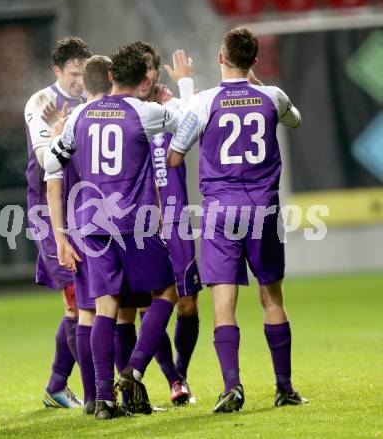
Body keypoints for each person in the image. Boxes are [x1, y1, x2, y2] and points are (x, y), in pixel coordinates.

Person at [45, 43, 194, 420]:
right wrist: (184, 90)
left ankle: (104, 400)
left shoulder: (79, 116)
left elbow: (53, 162)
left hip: (90, 224)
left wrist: (60, 235)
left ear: (111, 77)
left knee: (106, 307)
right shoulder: (146, 112)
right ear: (145, 79)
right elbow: (191, 121)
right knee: (166, 292)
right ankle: (135, 370)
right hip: (133, 223)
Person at [167, 27, 307, 413]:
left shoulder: (205, 102)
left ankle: (233, 388)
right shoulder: (272, 95)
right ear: (254, 62)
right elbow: (294, 120)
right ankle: (284, 388)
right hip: (263, 209)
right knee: (273, 297)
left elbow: (176, 155)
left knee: (224, 304)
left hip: (220, 212)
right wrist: (256, 84)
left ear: (220, 58)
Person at [113, 41, 200, 406]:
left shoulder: (166, 112)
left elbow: (197, 120)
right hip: (140, 225)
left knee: (187, 305)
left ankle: (180, 370)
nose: (148, 75)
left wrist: (183, 87)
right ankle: (173, 380)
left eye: (152, 67)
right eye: (143, 68)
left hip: (177, 223)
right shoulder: (128, 117)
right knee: (147, 307)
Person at [24, 36, 91, 408]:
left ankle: (56, 386)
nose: (79, 81)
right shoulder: (41, 102)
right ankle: (99, 388)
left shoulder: (89, 100)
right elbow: (46, 157)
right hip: (48, 209)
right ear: (58, 71)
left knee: (85, 299)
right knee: (76, 298)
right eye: (73, 74)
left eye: (84, 74)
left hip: (84, 207)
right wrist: (60, 131)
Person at [46, 55, 113, 416]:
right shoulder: (121, 115)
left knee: (86, 311)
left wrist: (61, 237)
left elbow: (51, 178)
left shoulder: (72, 123)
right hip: (115, 227)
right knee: (110, 310)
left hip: (80, 225)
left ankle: (92, 396)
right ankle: (110, 392)